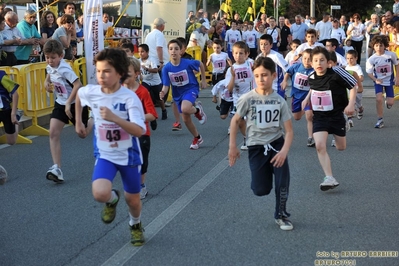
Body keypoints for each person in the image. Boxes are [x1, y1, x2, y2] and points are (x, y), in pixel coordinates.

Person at [75, 48, 146, 246]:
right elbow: (79, 96)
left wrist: (115, 118)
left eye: (106, 71)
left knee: (132, 200)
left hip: (128, 155)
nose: (101, 76)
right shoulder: (92, 92)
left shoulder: (129, 98)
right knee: (99, 193)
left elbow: (139, 131)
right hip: (105, 154)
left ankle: (135, 224)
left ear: (120, 73)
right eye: (98, 71)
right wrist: (78, 123)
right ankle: (111, 199)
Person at [228, 56, 294, 231]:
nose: (261, 79)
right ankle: (261, 179)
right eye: (257, 76)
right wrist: (232, 146)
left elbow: (289, 131)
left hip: (276, 144)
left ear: (273, 76)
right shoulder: (247, 98)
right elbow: (235, 121)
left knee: (282, 182)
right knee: (261, 190)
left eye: (264, 75)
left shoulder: (279, 100)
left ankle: (280, 214)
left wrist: (284, 151)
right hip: (256, 147)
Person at [302, 46, 356, 191]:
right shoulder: (311, 76)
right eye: (316, 61)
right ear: (311, 63)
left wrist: (351, 104)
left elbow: (353, 86)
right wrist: (307, 99)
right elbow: (314, 88)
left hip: (337, 115)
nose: (319, 63)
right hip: (320, 116)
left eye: (322, 60)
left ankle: (345, 122)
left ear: (328, 62)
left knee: (341, 147)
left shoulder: (337, 73)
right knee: (319, 145)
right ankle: (329, 178)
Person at [43, 40, 89, 183]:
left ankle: (94, 118)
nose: (50, 61)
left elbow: (78, 85)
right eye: (47, 57)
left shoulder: (65, 69)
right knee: (53, 133)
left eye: (53, 57)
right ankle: (57, 168)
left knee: (82, 134)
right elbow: (49, 73)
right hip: (60, 103)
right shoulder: (50, 66)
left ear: (61, 56)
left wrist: (69, 102)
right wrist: (46, 82)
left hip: (76, 103)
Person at [159, 39, 207, 150]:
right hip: (178, 94)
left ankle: (198, 111)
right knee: (186, 120)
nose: (173, 51)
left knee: (185, 108)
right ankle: (197, 137)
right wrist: (162, 92)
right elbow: (166, 86)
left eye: (176, 49)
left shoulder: (187, 62)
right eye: (171, 49)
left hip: (191, 89)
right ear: (168, 51)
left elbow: (200, 64)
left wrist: (203, 80)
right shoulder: (166, 68)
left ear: (181, 51)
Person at [123, 58, 157, 200]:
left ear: (137, 74)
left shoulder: (142, 92)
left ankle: (141, 186)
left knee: (141, 162)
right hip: (125, 133)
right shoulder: (118, 91)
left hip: (142, 134)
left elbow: (152, 115)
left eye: (128, 73)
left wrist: (136, 117)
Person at [281, 48, 314, 146]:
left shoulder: (314, 70)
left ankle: (310, 138)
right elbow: (288, 72)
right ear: (301, 58)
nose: (307, 61)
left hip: (308, 97)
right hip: (296, 96)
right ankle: (306, 110)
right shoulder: (296, 67)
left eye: (309, 59)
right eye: (305, 58)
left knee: (309, 116)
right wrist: (285, 81)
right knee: (297, 117)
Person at [366, 35, 399, 128]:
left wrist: (397, 77)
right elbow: (369, 73)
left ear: (385, 45)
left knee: (390, 103)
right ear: (373, 46)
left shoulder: (391, 55)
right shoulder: (371, 59)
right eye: (376, 45)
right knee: (378, 99)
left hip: (389, 81)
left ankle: (388, 102)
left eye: (381, 45)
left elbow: (397, 64)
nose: (379, 48)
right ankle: (380, 120)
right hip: (378, 81)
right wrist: (375, 79)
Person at [138, 43, 167, 125]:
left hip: (155, 81)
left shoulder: (152, 59)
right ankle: (148, 113)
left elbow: (155, 70)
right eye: (139, 52)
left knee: (159, 99)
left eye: (142, 51)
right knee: (143, 95)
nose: (141, 54)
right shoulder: (138, 61)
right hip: (146, 81)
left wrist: (146, 68)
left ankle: (164, 110)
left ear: (147, 52)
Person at [256, 34, 289, 99]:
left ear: (271, 45)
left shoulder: (277, 56)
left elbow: (288, 69)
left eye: (266, 44)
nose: (263, 46)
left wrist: (285, 81)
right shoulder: (258, 57)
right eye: (261, 44)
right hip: (264, 87)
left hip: (277, 87)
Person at [0, 69, 20, 145]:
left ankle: (17, 117)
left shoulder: (2, 76)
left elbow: (15, 94)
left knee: (11, 142)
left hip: (7, 110)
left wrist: (13, 113)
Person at [345, 50, 364, 120]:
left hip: (357, 88)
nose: (349, 60)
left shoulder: (357, 67)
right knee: (350, 101)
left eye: (351, 58)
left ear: (356, 58)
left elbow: (361, 78)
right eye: (348, 58)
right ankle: (350, 117)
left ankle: (360, 109)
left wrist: (355, 78)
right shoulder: (346, 67)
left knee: (358, 102)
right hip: (349, 88)